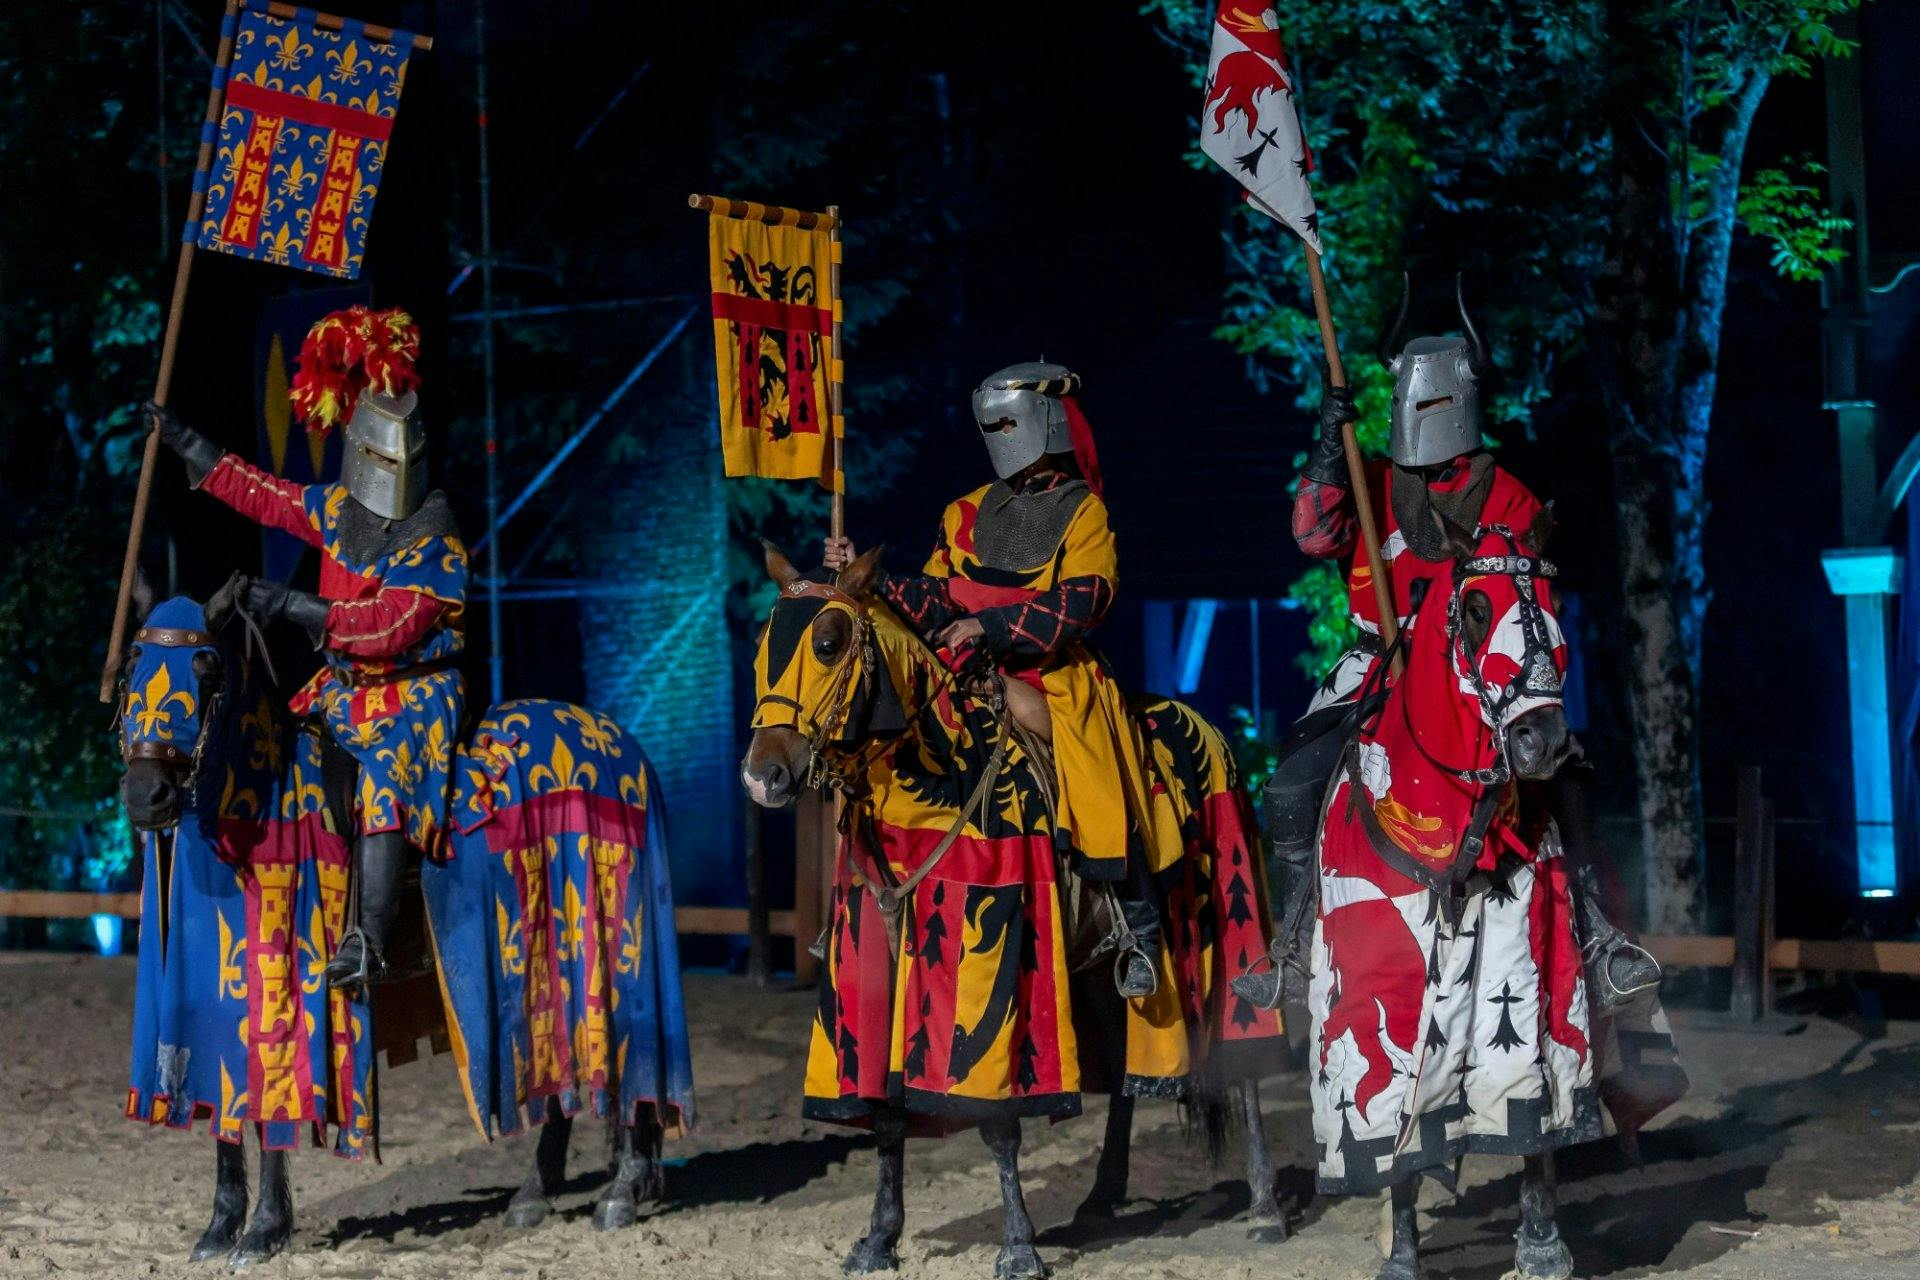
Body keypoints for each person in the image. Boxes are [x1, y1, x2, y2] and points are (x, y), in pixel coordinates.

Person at [1237, 278, 1658, 1010]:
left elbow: (1519, 606)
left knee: (1558, 773)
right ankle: (1295, 942)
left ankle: (1599, 931)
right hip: (1375, 661)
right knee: (1294, 785)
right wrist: (1328, 452)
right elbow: (1311, 533)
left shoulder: (1508, 497)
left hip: (1482, 677)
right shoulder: (1371, 484)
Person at [147, 306, 467, 993]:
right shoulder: (337, 508)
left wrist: (294, 604)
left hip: (414, 690)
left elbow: (390, 625)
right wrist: (192, 446)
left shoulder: (435, 541)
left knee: (384, 775)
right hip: (343, 685)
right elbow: (268, 497)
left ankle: (371, 940)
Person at [823, 362, 1168, 998]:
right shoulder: (963, 512)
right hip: (958, 669)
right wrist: (870, 578)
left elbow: (1085, 599)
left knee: (1087, 762)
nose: (1000, 434)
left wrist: (991, 629)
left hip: (1048, 671)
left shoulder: (1083, 512)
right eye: (993, 424)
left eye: (1010, 420)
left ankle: (1134, 926)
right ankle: (865, 898)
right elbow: (934, 598)